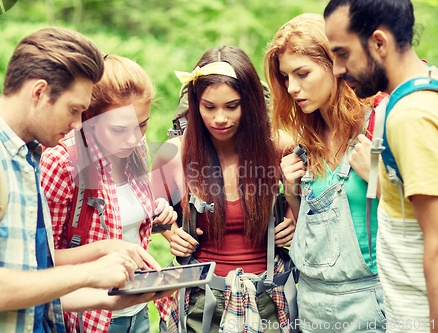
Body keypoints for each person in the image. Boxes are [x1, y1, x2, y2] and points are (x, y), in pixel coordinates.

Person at [0, 27, 171, 333]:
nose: (78, 125)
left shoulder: (26, 157)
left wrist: (106, 299)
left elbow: (31, 283)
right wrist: (89, 273)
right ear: (39, 92)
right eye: (74, 110)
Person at [151, 46, 296, 333]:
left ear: (252, 103)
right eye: (209, 107)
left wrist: (293, 220)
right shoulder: (174, 154)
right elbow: (149, 213)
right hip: (200, 302)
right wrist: (171, 233)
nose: (220, 119)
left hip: (269, 298)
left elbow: (309, 209)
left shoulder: (279, 147)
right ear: (195, 105)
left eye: (232, 106)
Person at [264, 13, 386, 332]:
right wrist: (291, 189)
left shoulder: (377, 129)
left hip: (369, 305)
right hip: (311, 305)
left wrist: (377, 177)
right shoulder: (306, 146)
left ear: (336, 64)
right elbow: (313, 233)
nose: (291, 87)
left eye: (302, 73)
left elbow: (419, 218)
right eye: (285, 77)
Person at [40, 54, 177, 333]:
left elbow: (122, 213)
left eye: (142, 124)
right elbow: (41, 258)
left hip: (137, 311)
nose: (133, 138)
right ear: (88, 116)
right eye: (118, 129)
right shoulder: (62, 161)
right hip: (87, 316)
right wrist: (106, 249)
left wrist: (156, 209)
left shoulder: (134, 148)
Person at [324, 1, 438, 332]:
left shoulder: (410, 117)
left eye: (343, 54)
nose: (336, 69)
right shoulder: (417, 91)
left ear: (378, 43)